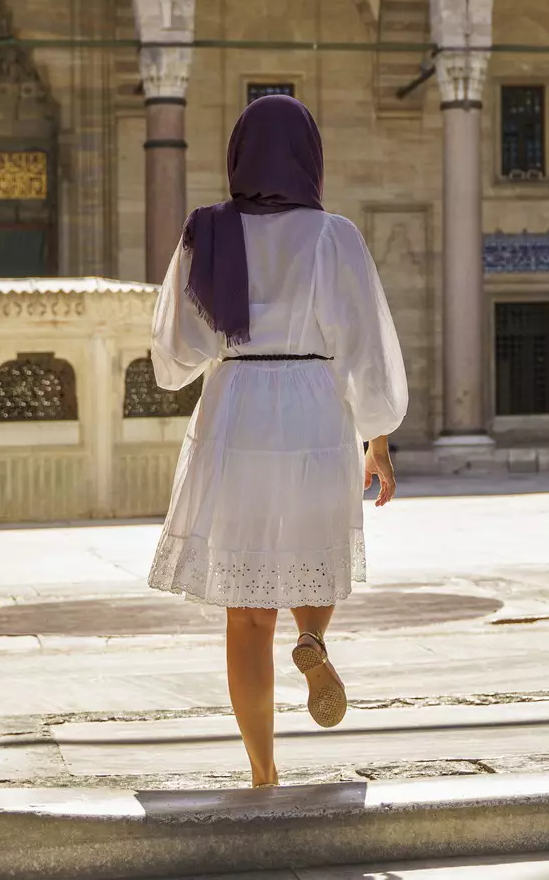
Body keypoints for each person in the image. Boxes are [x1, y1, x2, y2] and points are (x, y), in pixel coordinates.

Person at [145, 94, 409, 788]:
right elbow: (368, 349)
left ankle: (264, 771)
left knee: (248, 611)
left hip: (239, 410)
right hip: (317, 408)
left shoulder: (206, 232)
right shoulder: (335, 237)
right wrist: (377, 441)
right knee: (315, 557)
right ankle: (314, 640)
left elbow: (175, 355)